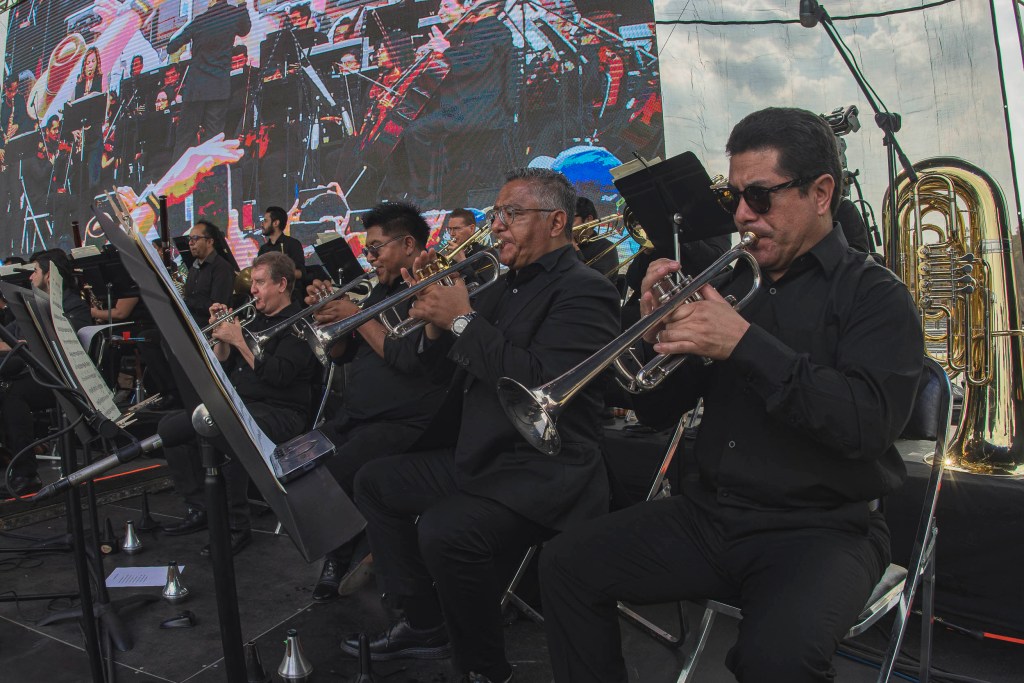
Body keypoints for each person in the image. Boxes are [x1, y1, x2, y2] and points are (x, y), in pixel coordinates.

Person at [538, 107, 925, 683]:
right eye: (734, 199)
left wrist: (745, 344)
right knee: (565, 564)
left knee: (776, 662)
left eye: (761, 197)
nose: (743, 216)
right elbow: (656, 408)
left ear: (821, 193)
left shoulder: (876, 296)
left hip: (821, 529)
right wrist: (650, 337)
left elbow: (865, 428)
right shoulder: (732, 285)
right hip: (712, 517)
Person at [344, 168, 621, 683]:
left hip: (544, 471)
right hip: (482, 456)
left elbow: (542, 383)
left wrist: (463, 320)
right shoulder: (497, 286)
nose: (496, 227)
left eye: (511, 214)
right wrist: (432, 311)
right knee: (375, 482)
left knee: (447, 532)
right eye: (496, 214)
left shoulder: (587, 291)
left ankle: (485, 670)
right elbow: (424, 364)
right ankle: (425, 622)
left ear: (557, 221)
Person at [301, 202, 448, 601]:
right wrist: (333, 323)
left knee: (334, 474)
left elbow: (406, 358)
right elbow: (344, 357)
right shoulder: (379, 290)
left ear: (408, 244)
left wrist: (358, 315)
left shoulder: (429, 287)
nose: (370, 258)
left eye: (376, 249)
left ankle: (344, 553)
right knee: (298, 458)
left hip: (404, 422)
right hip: (360, 414)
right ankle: (350, 547)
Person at [160, 251, 317, 554]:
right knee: (170, 428)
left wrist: (241, 341)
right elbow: (224, 366)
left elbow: (280, 376)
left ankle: (236, 526)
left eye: (260, 282)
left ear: (282, 284)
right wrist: (222, 335)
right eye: (253, 282)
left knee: (227, 430)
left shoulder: (299, 325)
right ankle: (199, 508)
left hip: (281, 410)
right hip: (241, 402)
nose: (252, 289)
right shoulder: (254, 319)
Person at [400, 0, 516, 205]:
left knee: (415, 131)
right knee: (418, 129)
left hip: (476, 112)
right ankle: (428, 193)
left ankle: (424, 195)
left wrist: (445, 49)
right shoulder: (478, 28)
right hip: (469, 108)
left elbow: (475, 63)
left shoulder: (489, 27)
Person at [1, 250, 92, 496]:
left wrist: (16, 344)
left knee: (11, 394)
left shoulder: (73, 305)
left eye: (35, 272)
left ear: (49, 275)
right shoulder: (32, 303)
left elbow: (53, 346)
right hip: (33, 374)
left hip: (61, 381)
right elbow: (11, 335)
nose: (30, 278)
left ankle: (26, 473)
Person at [167, 0, 252, 159]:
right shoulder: (233, 14)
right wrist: (242, 5)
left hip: (196, 87)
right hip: (218, 86)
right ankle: (212, 180)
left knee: (185, 136)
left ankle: (179, 176)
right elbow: (244, 29)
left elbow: (171, 47)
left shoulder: (200, 20)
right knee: (214, 137)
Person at [182, 220, 234, 325]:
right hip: (191, 322)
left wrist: (186, 301)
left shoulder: (222, 268)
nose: (190, 243)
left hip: (208, 326)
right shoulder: (193, 267)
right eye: (190, 238)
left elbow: (217, 306)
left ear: (210, 242)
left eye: (195, 238)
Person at [257, 205, 305, 301]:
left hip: (290, 297)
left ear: (276, 223)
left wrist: (278, 274)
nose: (262, 224)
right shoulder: (263, 249)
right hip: (268, 297)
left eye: (265, 221)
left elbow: (301, 273)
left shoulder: (293, 244)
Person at [572, 196, 619, 279]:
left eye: (571, 219)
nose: (565, 224)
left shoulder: (606, 247)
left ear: (588, 219)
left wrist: (575, 249)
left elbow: (594, 284)